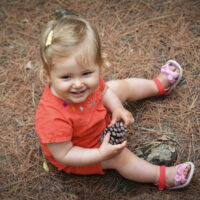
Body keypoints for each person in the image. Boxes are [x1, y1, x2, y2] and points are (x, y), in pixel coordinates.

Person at [35, 15, 195, 190]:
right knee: (120, 158)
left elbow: (103, 91)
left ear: (99, 64)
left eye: (87, 73)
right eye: (66, 77)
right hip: (85, 150)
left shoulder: (85, 87)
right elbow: (65, 154)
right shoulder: (51, 117)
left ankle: (156, 85)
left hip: (96, 117)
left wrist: (117, 107)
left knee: (117, 87)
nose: (78, 83)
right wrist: (100, 153)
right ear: (48, 75)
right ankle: (162, 176)